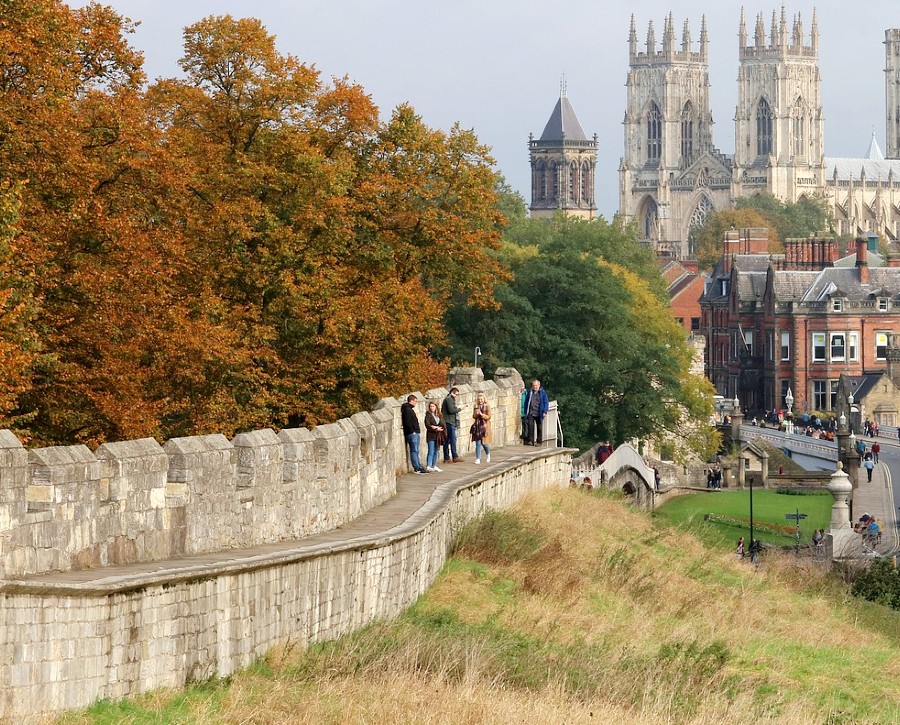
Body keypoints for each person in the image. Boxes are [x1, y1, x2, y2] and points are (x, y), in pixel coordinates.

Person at [401, 394, 427, 474]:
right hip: (412, 433)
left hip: (414, 433)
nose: (416, 403)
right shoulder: (408, 410)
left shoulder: (408, 409)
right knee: (414, 450)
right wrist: (413, 431)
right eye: (415, 401)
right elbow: (408, 422)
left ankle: (418, 466)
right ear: (411, 401)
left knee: (416, 450)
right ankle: (417, 468)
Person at [440, 387, 464, 464]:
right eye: (456, 394)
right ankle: (454, 457)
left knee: (448, 440)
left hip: (450, 422)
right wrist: (460, 409)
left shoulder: (450, 399)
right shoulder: (449, 399)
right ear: (452, 393)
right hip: (449, 422)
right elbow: (451, 410)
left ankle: (447, 458)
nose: (456, 396)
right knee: (452, 440)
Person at [523, 379, 549, 446]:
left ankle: (539, 442)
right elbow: (526, 402)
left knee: (539, 428)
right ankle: (531, 441)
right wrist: (526, 411)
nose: (535, 387)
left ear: (539, 385)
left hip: (539, 413)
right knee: (530, 427)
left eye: (536, 385)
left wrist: (545, 411)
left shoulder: (543, 393)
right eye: (534, 385)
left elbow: (546, 403)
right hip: (531, 412)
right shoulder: (530, 392)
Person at [423, 401, 445, 473]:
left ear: (436, 407)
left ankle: (434, 465)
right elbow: (427, 425)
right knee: (431, 450)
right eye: (430, 406)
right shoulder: (428, 415)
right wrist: (435, 428)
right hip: (431, 435)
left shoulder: (439, 415)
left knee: (436, 450)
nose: (432, 408)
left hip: (438, 435)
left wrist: (439, 428)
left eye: (433, 406)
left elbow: (442, 423)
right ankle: (428, 466)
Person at [472, 392, 492, 463]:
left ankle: (488, 454)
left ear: (484, 399)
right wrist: (476, 414)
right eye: (479, 399)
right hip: (477, 426)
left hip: (485, 427)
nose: (480, 400)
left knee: (484, 443)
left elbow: (489, 416)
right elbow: (473, 416)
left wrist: (482, 414)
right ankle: (478, 459)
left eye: (481, 399)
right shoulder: (476, 406)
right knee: (478, 443)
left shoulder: (487, 406)